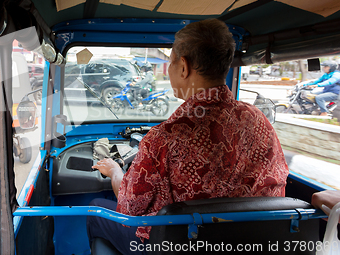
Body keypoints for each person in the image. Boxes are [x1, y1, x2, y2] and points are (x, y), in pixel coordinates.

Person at [87, 19, 289, 255]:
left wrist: (115, 172)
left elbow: (129, 208)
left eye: (170, 62)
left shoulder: (164, 137)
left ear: (183, 66)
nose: (169, 69)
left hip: (176, 245)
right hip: (250, 242)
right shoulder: (259, 121)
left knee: (95, 210)